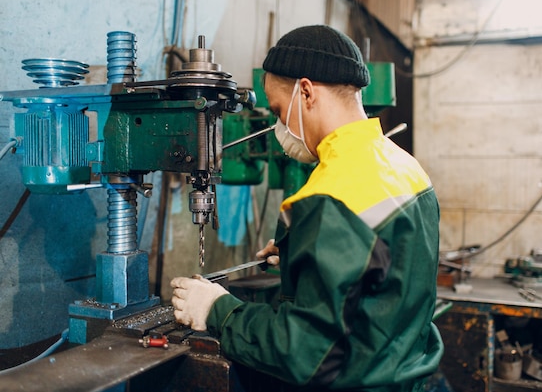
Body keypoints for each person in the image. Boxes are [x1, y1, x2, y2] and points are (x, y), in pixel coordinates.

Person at [170, 24, 443, 392]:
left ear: (307, 91)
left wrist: (218, 309)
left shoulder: (331, 195)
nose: (280, 126)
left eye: (280, 111)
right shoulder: (408, 168)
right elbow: (385, 272)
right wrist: (304, 250)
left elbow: (303, 351)